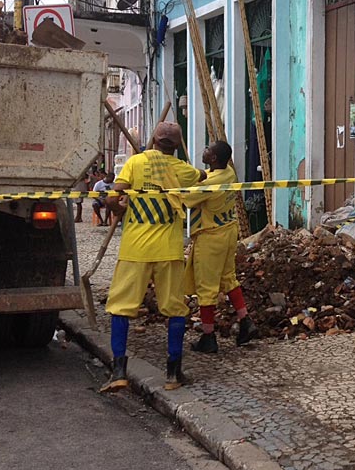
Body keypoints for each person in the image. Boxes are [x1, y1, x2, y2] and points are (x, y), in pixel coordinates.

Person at [100, 122, 206, 393]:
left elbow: (114, 196)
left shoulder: (135, 163)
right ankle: (173, 374)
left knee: (121, 307)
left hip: (135, 249)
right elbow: (202, 176)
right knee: (175, 308)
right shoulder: (181, 169)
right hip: (168, 251)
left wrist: (117, 205)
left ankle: (119, 372)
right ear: (177, 144)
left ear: (154, 140)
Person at [182, 141, 256, 353]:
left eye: (207, 149)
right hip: (229, 231)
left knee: (206, 287)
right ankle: (245, 320)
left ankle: (208, 335)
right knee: (228, 277)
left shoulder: (209, 184)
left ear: (213, 158)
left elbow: (186, 198)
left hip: (210, 236)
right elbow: (204, 176)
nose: (204, 149)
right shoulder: (228, 173)